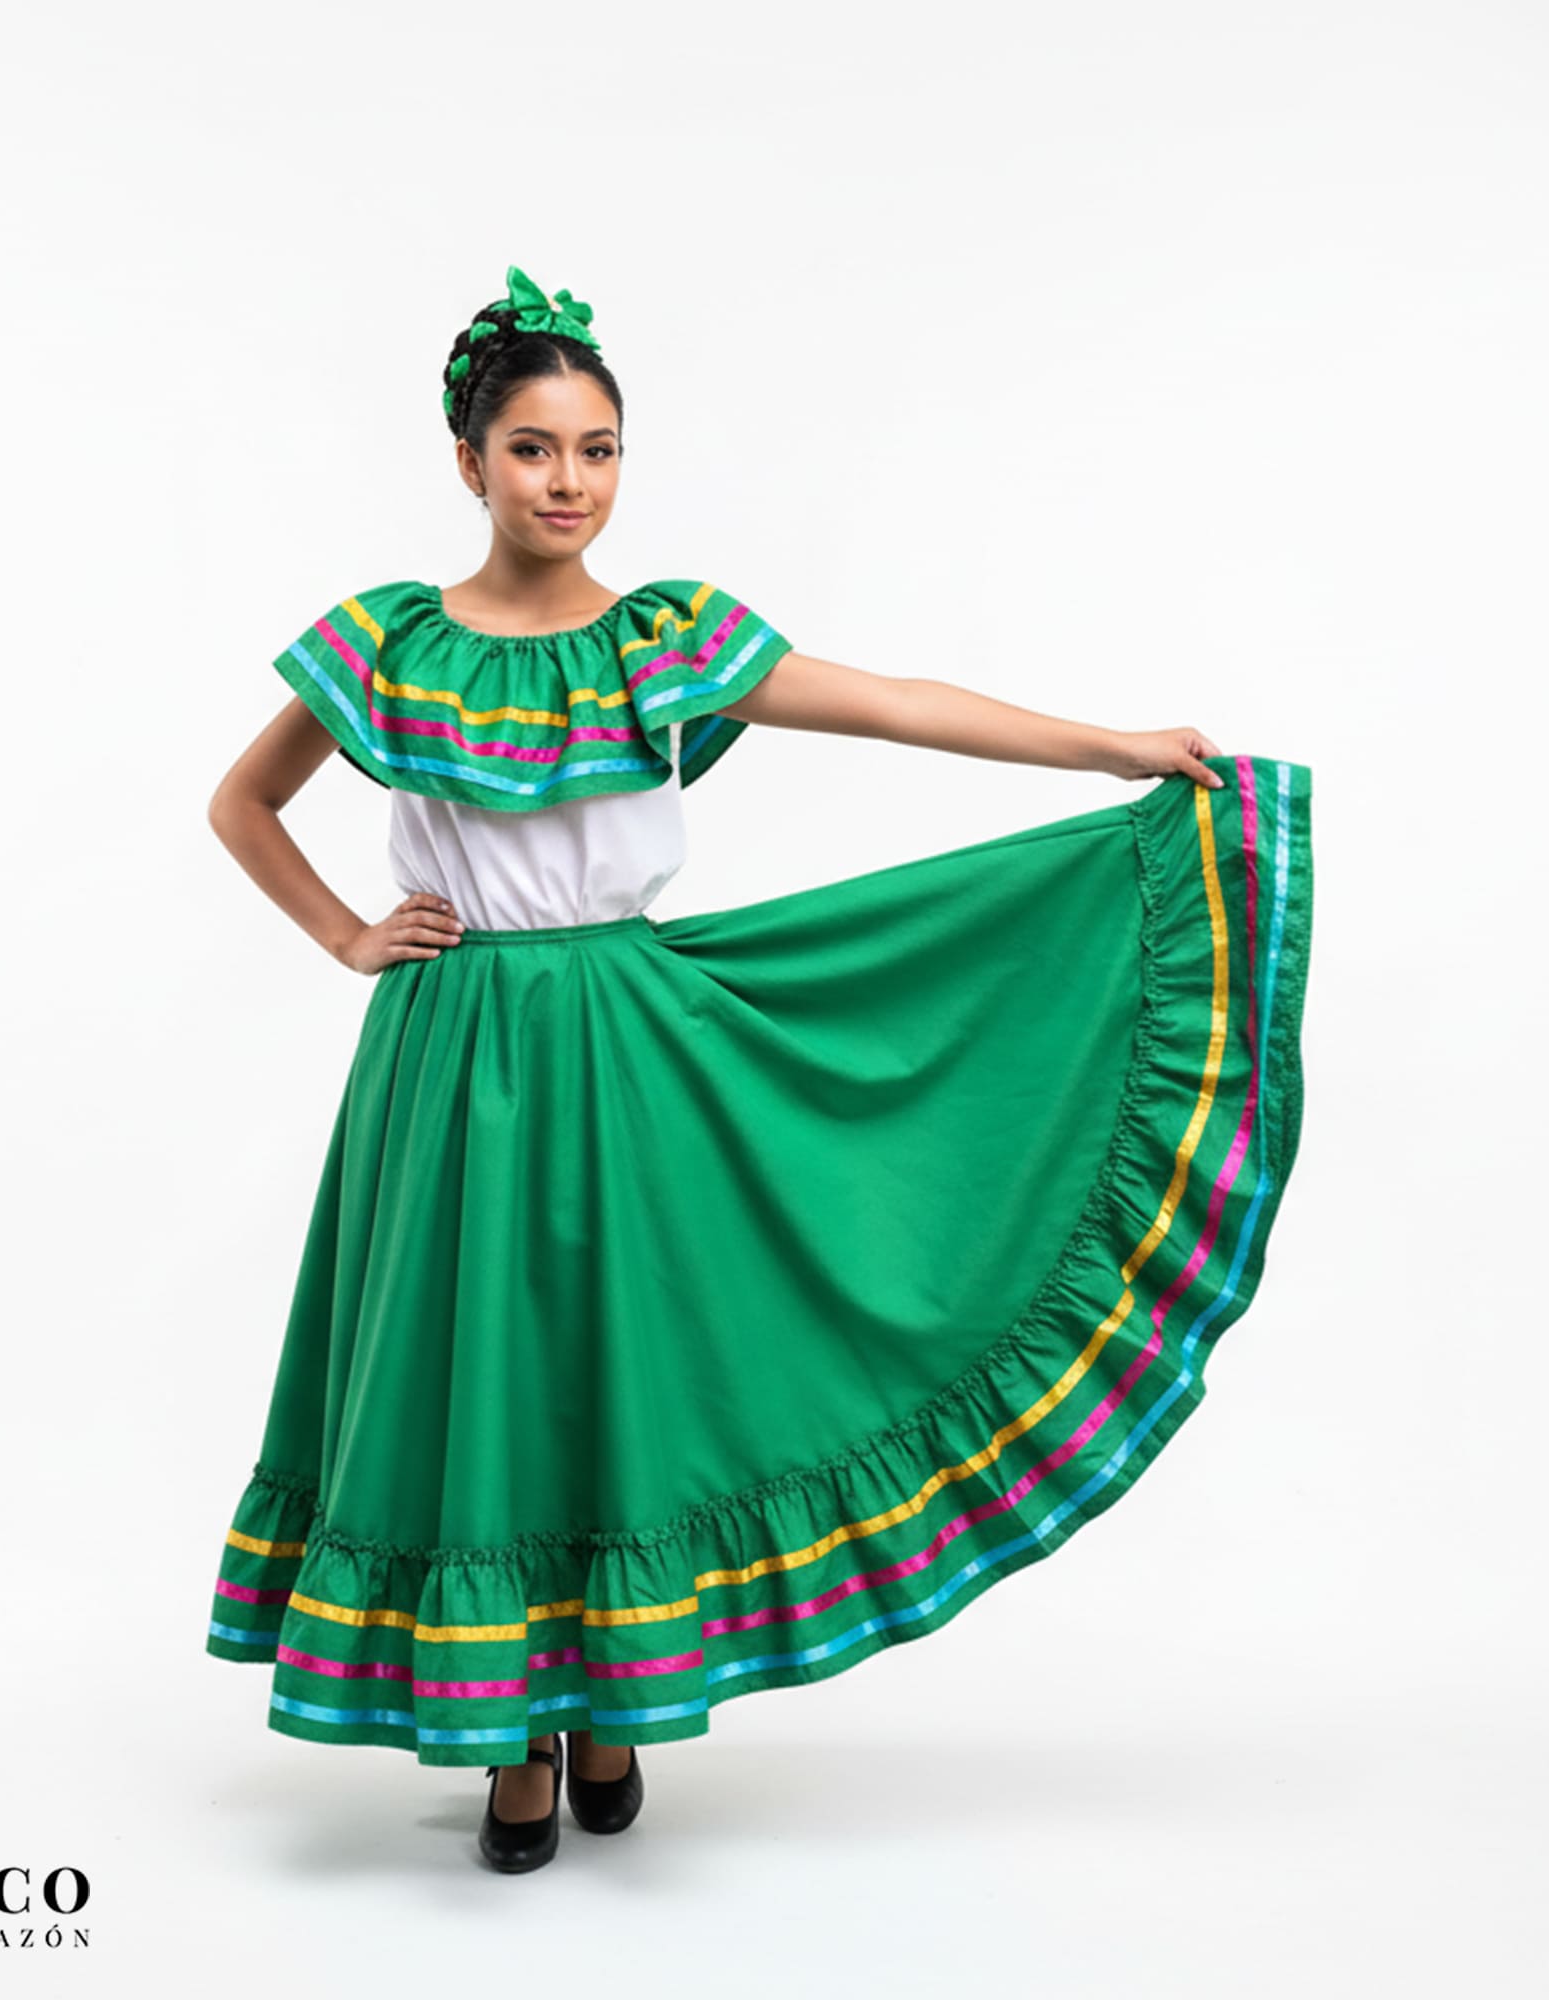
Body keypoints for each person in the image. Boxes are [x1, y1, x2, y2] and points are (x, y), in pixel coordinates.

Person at [202, 264, 1314, 1874]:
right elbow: (241, 803)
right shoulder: (389, 641)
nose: (568, 481)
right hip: (451, 1053)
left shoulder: (664, 639)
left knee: (621, 1359)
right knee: (482, 1361)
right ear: (468, 461)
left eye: (597, 450)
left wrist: (1112, 746)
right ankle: (511, 1733)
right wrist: (345, 935)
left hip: (631, 1040)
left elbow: (889, 704)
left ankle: (608, 1701)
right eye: (532, 449)